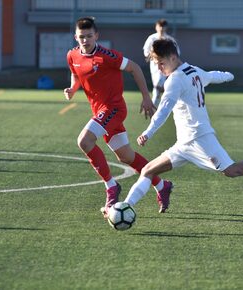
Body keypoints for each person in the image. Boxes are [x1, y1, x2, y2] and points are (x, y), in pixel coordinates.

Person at [124, 39, 243, 212]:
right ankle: (124, 207)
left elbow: (164, 110)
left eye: (161, 63)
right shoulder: (193, 70)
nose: (158, 67)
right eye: (156, 63)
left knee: (232, 171)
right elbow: (212, 76)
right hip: (183, 144)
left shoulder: (175, 80)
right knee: (148, 170)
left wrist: (148, 133)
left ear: (173, 57)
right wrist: (228, 76)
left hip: (200, 138)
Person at [63, 17, 173, 216]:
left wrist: (146, 98)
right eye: (82, 37)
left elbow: (135, 68)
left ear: (97, 35)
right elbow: (76, 73)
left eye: (89, 36)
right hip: (100, 112)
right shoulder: (72, 55)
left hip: (113, 109)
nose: (85, 40)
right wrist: (73, 88)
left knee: (85, 141)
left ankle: (111, 187)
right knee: (126, 156)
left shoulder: (108, 56)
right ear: (76, 37)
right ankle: (162, 185)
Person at [143, 19, 179, 107]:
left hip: (168, 67)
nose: (162, 28)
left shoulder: (169, 39)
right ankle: (157, 105)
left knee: (160, 85)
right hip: (155, 67)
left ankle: (154, 106)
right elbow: (146, 52)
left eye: (163, 26)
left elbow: (177, 53)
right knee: (158, 86)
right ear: (156, 27)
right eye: (160, 26)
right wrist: (155, 57)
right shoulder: (152, 38)